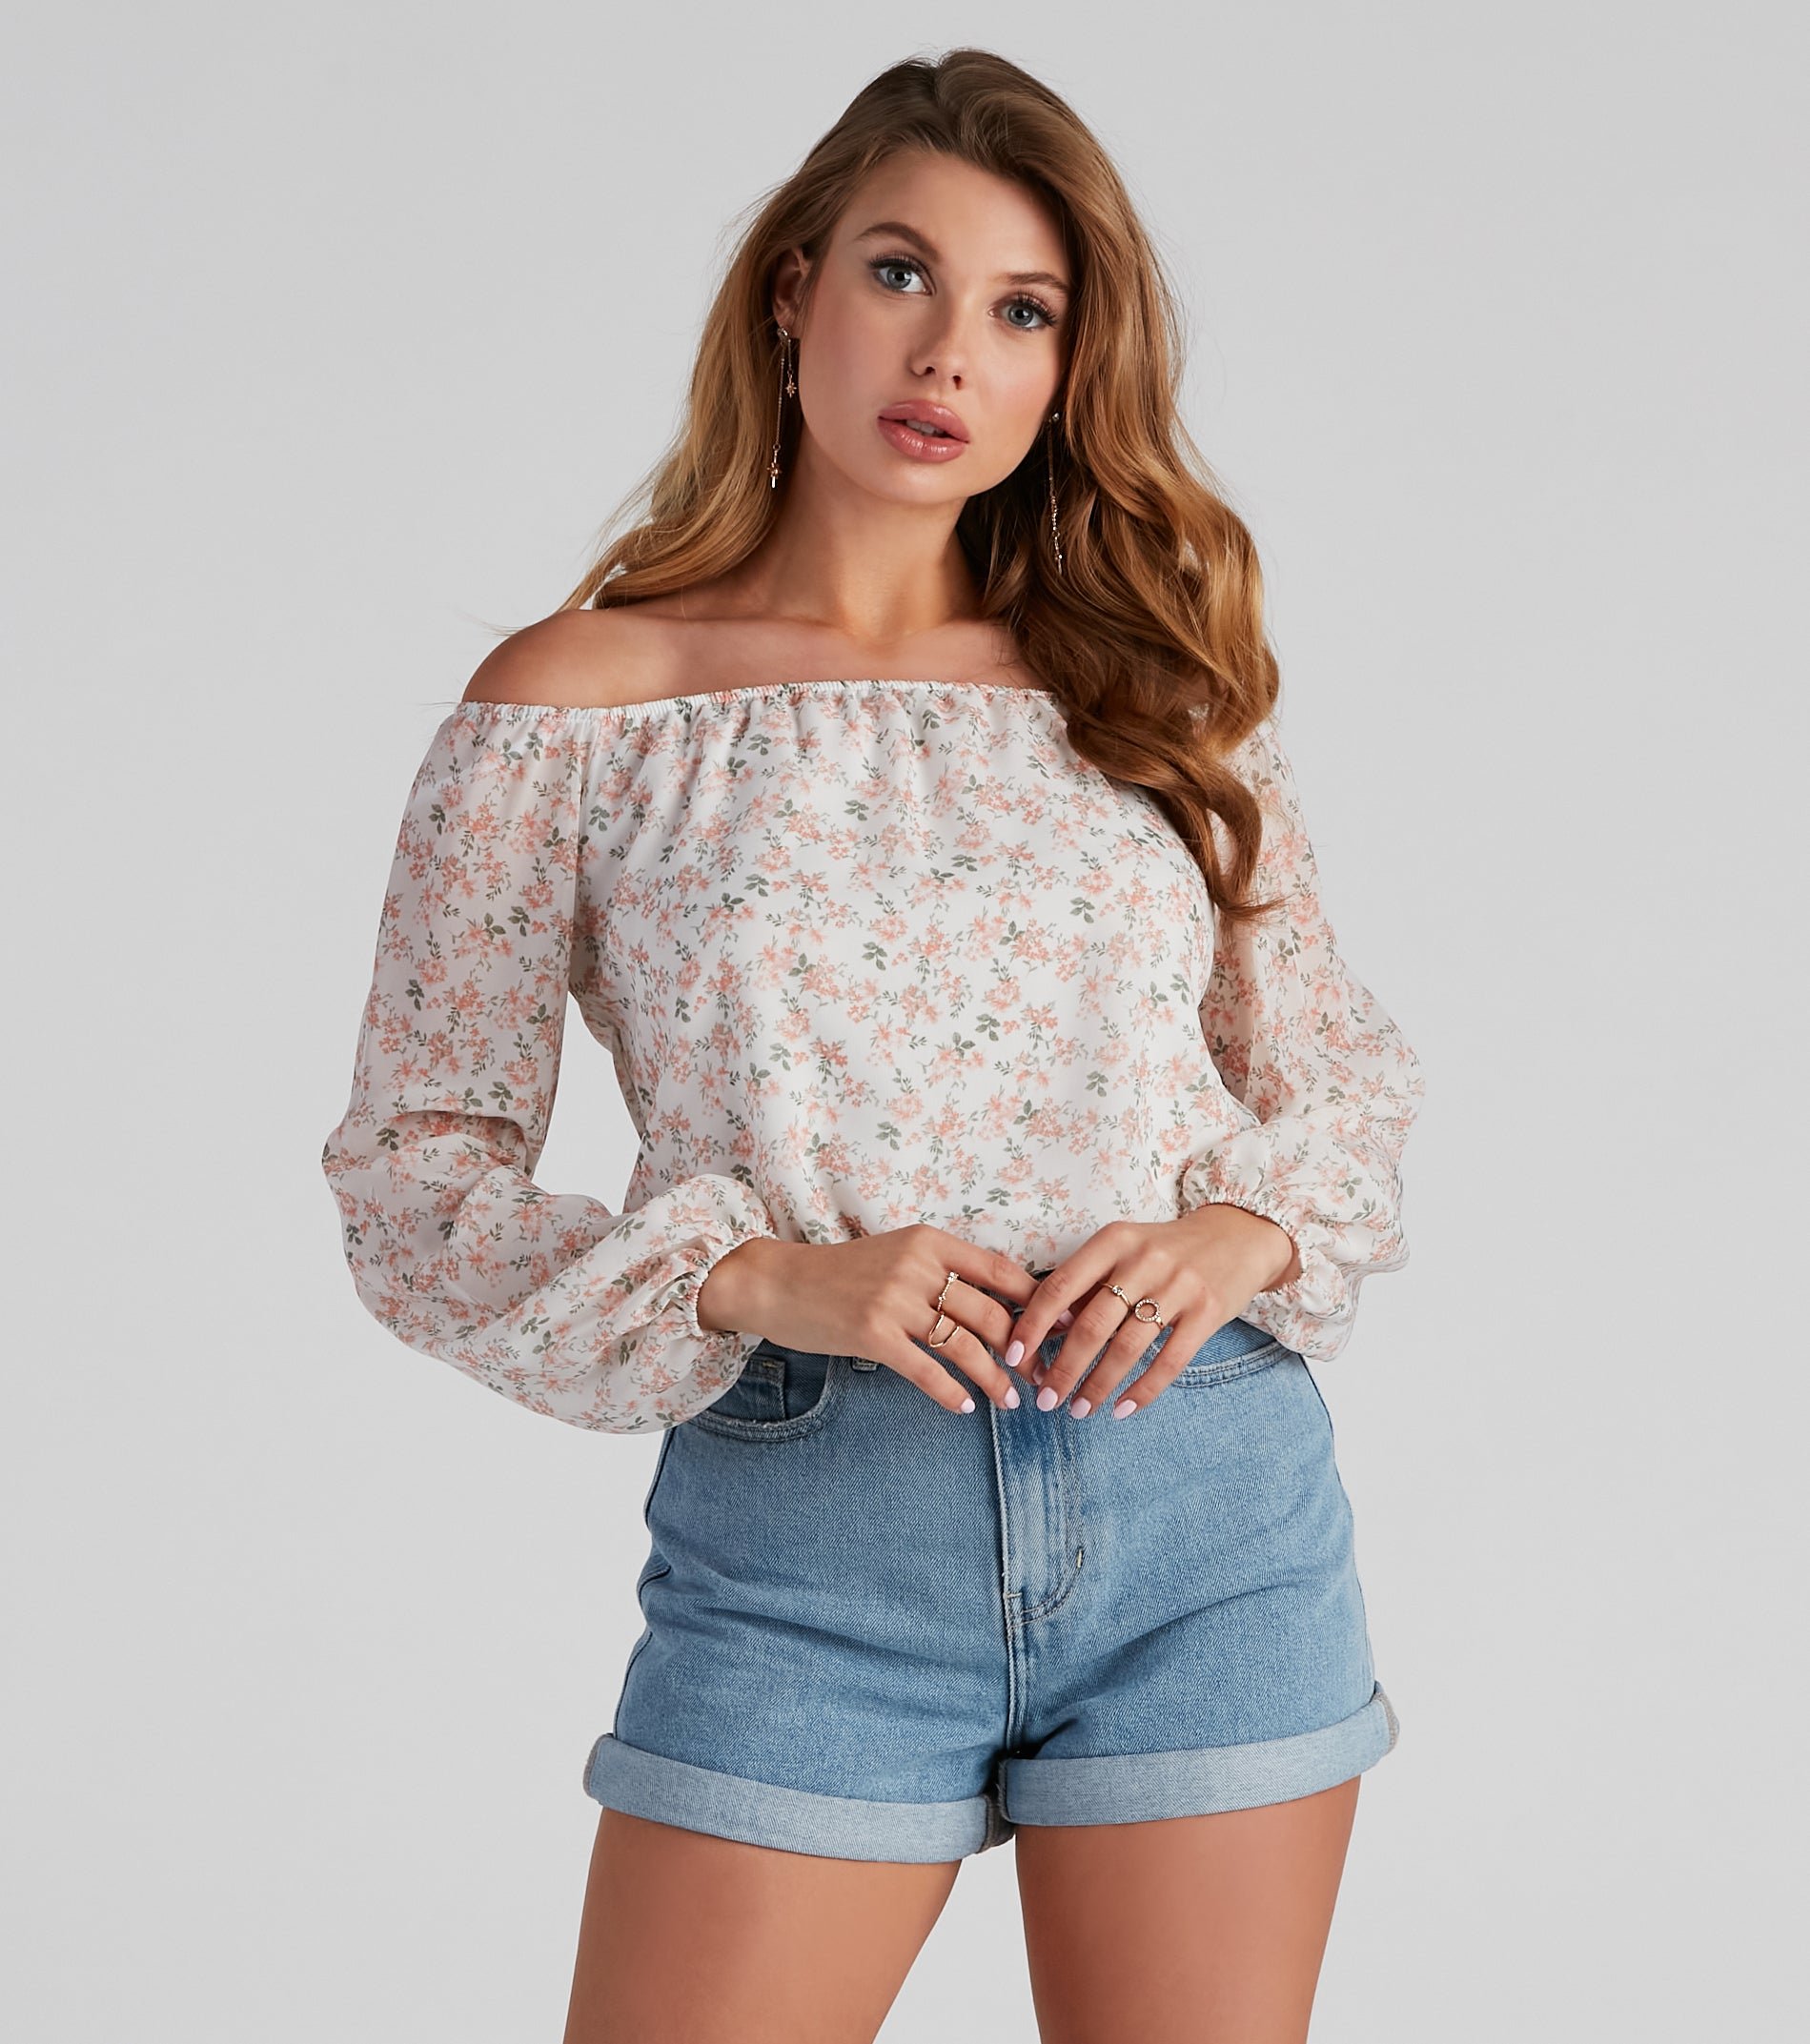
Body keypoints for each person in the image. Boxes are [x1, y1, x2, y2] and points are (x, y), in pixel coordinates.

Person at [318, 47, 1426, 2044]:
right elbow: (414, 1175)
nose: (949, 353)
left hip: (1205, 1510)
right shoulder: (578, 706)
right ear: (791, 292)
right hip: (810, 1536)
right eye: (901, 273)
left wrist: (1236, 1232)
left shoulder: (1157, 694)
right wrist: (752, 1275)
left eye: (1024, 311)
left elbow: (1336, 1080)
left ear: (1069, 372)